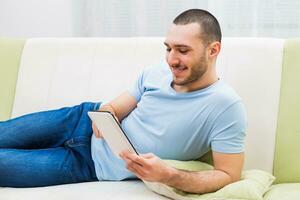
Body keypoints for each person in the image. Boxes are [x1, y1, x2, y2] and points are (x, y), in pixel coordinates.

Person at [0, 9, 246, 194]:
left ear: (213, 50)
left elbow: (228, 174)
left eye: (183, 50)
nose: (171, 59)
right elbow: (116, 107)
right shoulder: (157, 72)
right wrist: (107, 112)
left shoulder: (225, 106)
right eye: (168, 48)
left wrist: (169, 175)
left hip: (87, 165)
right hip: (78, 120)